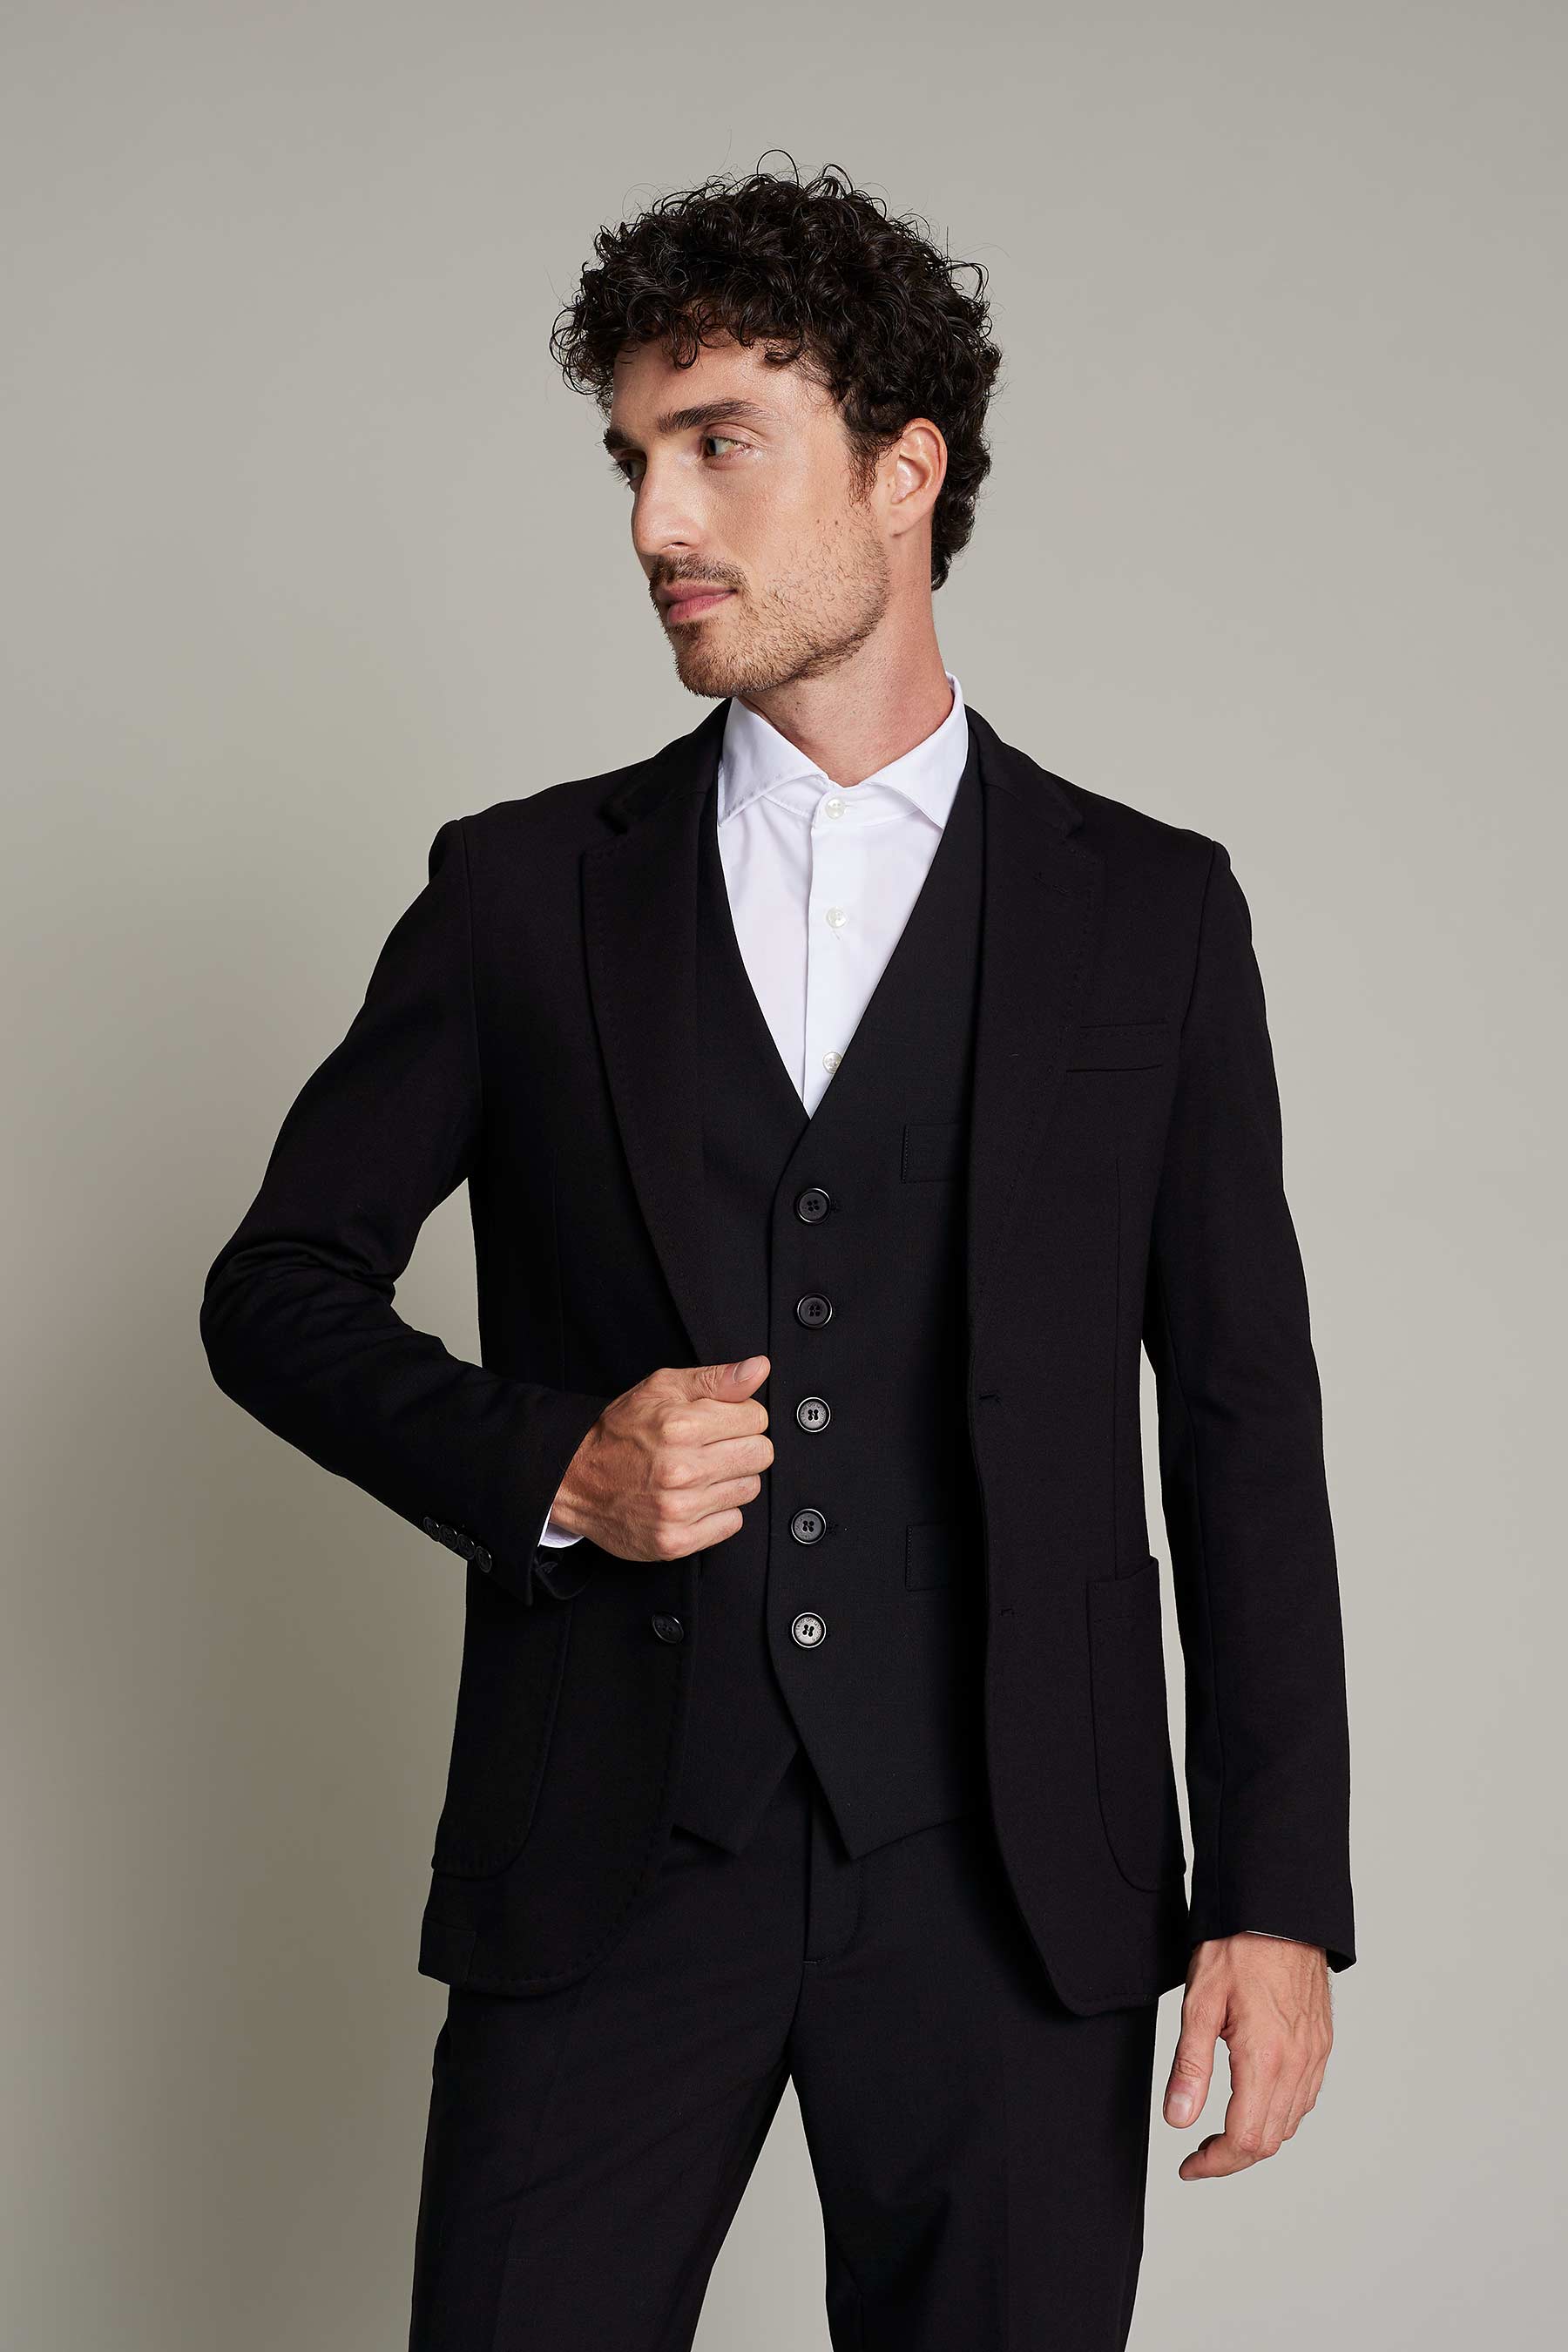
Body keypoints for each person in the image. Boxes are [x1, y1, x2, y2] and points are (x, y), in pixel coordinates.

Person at [199, 155, 1355, 2350]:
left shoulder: (1151, 917)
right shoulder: (523, 895)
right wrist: (553, 1465)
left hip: (1018, 1889)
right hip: (609, 1860)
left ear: (905, 473)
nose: (660, 519)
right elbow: (274, 1291)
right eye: (635, 458)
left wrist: (1277, 1893)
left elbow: (1241, 1420)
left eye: (720, 443)